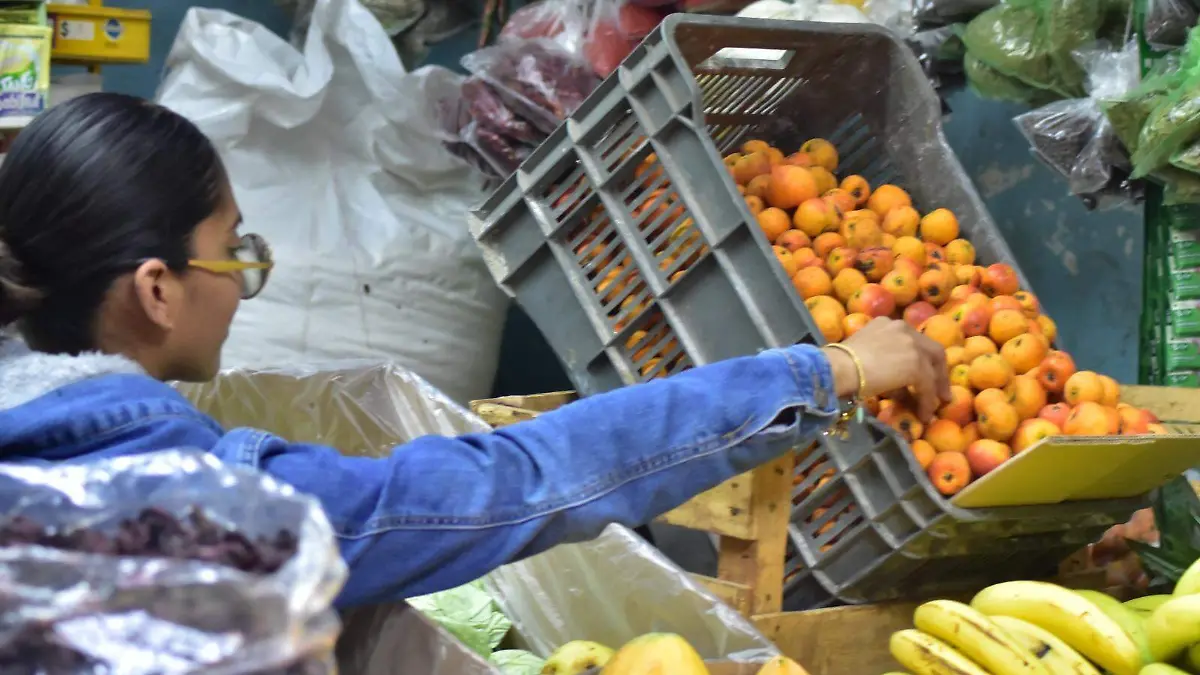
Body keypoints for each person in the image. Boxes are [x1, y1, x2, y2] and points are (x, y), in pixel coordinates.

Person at [0, 93, 949, 608]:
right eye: (233, 249)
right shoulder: (182, 505)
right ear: (157, 290)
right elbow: (512, 484)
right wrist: (824, 370)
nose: (247, 275)